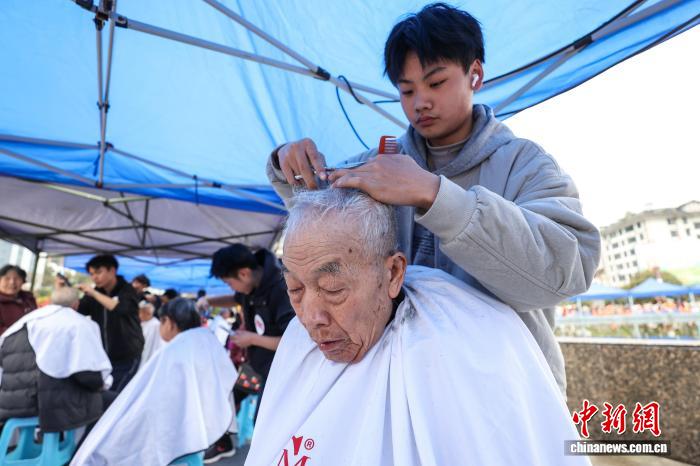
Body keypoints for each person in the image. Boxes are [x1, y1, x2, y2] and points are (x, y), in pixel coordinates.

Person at [265, 2, 601, 396]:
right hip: (405, 389)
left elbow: (570, 268)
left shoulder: (524, 164)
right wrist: (288, 164)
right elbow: (320, 213)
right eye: (406, 90)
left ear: (475, 74)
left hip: (505, 392)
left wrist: (434, 195)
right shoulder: (378, 164)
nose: (419, 102)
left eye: (436, 83)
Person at [247, 188, 590, 466]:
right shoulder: (296, 346)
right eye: (295, 289)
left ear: (393, 273)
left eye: (333, 289)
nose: (311, 317)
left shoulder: (469, 346)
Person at [71, 298, 236, 466]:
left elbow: (150, 403)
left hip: (174, 437)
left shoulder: (175, 352)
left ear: (169, 322)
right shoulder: (205, 341)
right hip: (196, 433)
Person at [198, 243, 295, 462]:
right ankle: (224, 443)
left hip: (279, 373)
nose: (230, 287)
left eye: (229, 282)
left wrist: (251, 339)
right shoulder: (251, 286)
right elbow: (235, 298)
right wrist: (209, 300)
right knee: (228, 397)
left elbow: (294, 342)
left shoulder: (281, 289)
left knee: (263, 424)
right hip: (256, 367)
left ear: (243, 273)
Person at [0, 287, 112, 433]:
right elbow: (88, 377)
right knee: (111, 402)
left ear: (51, 301)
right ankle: (83, 446)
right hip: (47, 409)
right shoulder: (78, 323)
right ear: (76, 304)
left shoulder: (23, 323)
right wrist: (101, 383)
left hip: (11, 405)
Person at [76, 255, 144, 392]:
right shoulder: (95, 293)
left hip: (127, 355)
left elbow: (121, 308)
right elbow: (79, 310)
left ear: (112, 271)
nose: (95, 278)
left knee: (115, 394)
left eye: (98, 272)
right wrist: (65, 291)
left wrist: (94, 293)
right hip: (102, 356)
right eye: (92, 274)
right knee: (101, 393)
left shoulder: (127, 290)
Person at [0, 264, 37, 335]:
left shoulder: (29, 298)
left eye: (17, 278)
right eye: (7, 278)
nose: (12, 282)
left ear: (23, 281)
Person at [138, 301, 163, 369]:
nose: (139, 315)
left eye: (140, 313)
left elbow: (149, 344)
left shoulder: (155, 325)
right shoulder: (143, 323)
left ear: (148, 313)